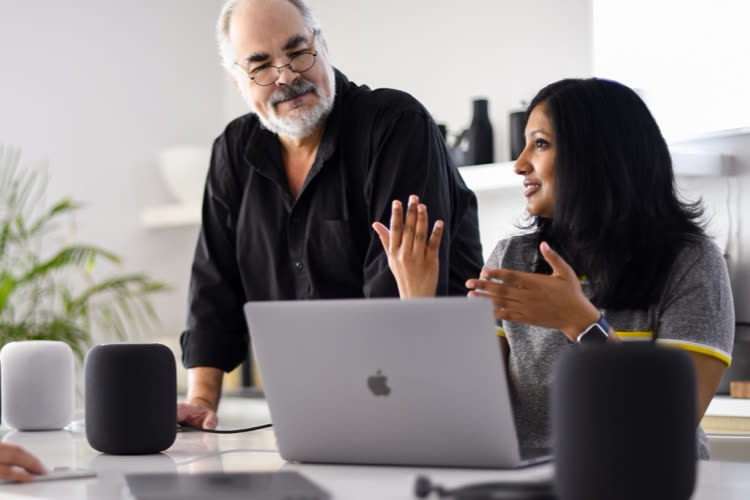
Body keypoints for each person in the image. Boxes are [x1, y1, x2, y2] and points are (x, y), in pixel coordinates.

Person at [373, 78, 734, 459]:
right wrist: (417, 303)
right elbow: (461, 415)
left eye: (540, 143)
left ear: (598, 154)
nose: (519, 163)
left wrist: (583, 324)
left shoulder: (692, 263)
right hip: (525, 483)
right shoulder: (511, 259)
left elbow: (666, 424)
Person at [177, 0, 483, 429]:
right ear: (238, 81)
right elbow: (213, 285)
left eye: (297, 52)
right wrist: (202, 400)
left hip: (429, 399)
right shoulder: (233, 151)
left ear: (322, 44)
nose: (287, 77)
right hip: (313, 414)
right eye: (261, 65)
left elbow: (395, 285)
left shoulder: (395, 125)